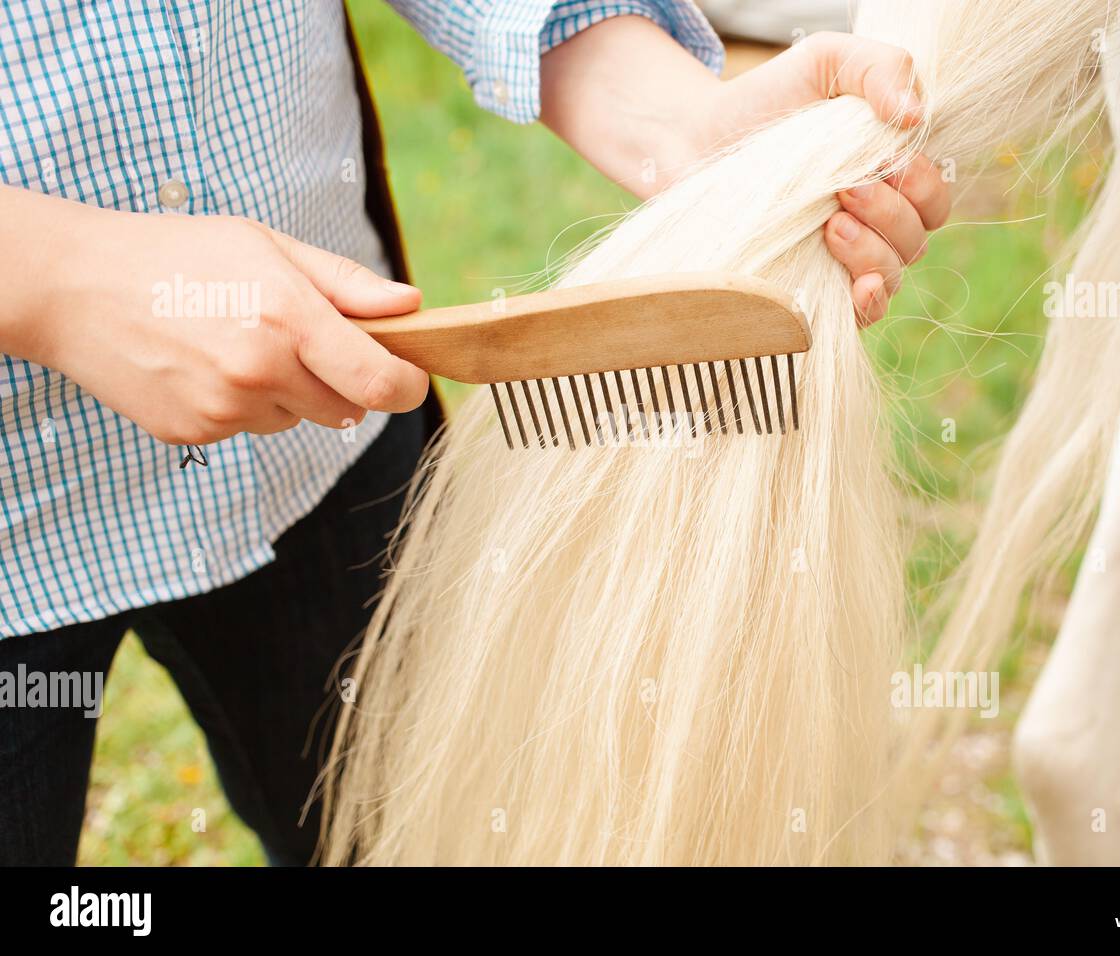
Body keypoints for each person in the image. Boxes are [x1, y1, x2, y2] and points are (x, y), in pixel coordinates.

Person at [0, 1, 950, 865]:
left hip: (325, 444)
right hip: (19, 536)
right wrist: (59, 280)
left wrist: (675, 120)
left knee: (402, 834)